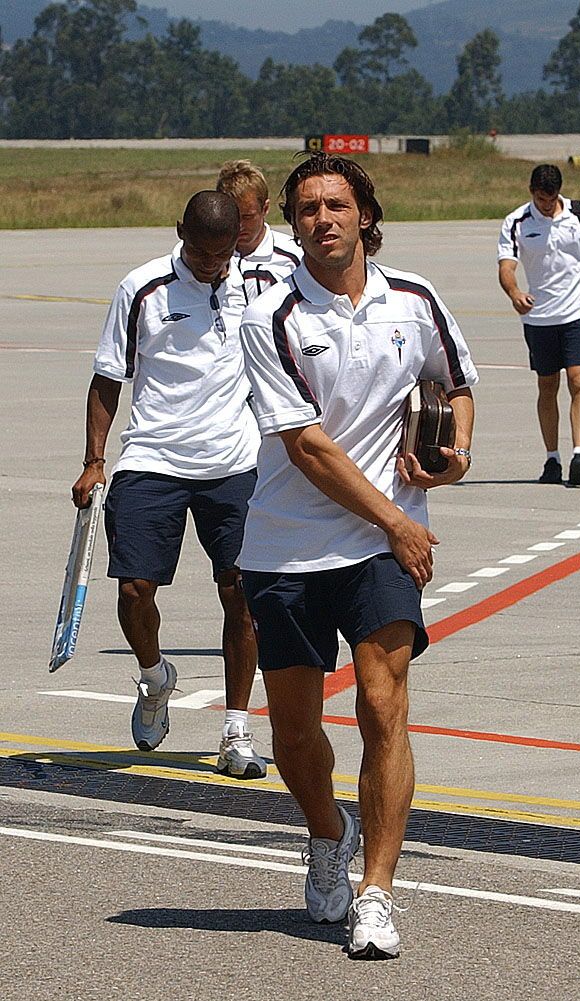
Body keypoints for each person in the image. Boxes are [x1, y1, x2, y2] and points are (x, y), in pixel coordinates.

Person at [237, 153, 477, 960]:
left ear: (365, 214)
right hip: (285, 547)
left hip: (378, 550)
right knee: (297, 733)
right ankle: (325, 828)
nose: (323, 220)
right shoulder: (269, 317)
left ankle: (376, 889)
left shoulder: (416, 298)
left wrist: (456, 453)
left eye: (336, 205)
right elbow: (306, 446)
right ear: (292, 224)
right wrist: (401, 522)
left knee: (384, 705)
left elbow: (457, 383)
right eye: (306, 209)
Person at [70, 191, 266, 779]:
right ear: (178, 232)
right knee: (134, 590)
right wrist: (93, 460)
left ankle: (236, 731)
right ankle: (156, 676)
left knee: (241, 595)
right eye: (200, 252)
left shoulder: (256, 287)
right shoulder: (143, 287)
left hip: (234, 462)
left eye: (222, 253)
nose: (210, 264)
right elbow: (108, 377)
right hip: (152, 458)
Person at [497, 164, 580, 487]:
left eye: (552, 198)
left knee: (579, 380)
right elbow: (506, 267)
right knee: (547, 385)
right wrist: (515, 292)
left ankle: (579, 453)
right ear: (532, 193)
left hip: (577, 313)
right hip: (539, 317)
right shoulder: (516, 221)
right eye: (542, 199)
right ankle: (552, 458)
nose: (547, 204)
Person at [216, 159, 301, 302]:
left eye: (248, 217)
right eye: (232, 217)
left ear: (265, 208)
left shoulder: (295, 257)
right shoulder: (209, 257)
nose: (240, 225)